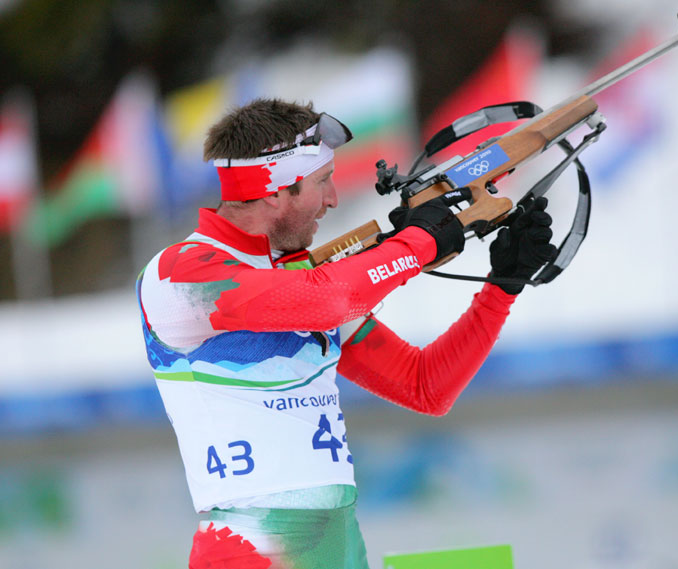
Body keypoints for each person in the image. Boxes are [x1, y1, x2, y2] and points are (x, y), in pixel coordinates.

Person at [136, 98, 556, 569]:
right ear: (275, 190)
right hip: (248, 550)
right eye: (321, 183)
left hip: (338, 548)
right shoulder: (181, 272)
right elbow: (327, 299)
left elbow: (425, 386)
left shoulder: (302, 278)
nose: (333, 199)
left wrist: (502, 288)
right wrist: (421, 241)